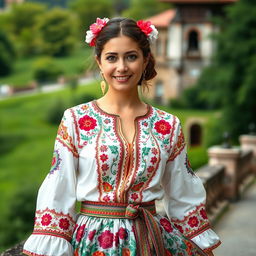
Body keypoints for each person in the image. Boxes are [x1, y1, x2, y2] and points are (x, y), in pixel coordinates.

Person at [23, 17, 221, 256]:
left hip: (154, 240)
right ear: (99, 62)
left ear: (145, 59)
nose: (122, 67)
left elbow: (183, 193)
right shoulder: (76, 119)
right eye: (111, 58)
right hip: (93, 242)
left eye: (131, 56)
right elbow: (59, 186)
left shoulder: (167, 125)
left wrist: (202, 246)